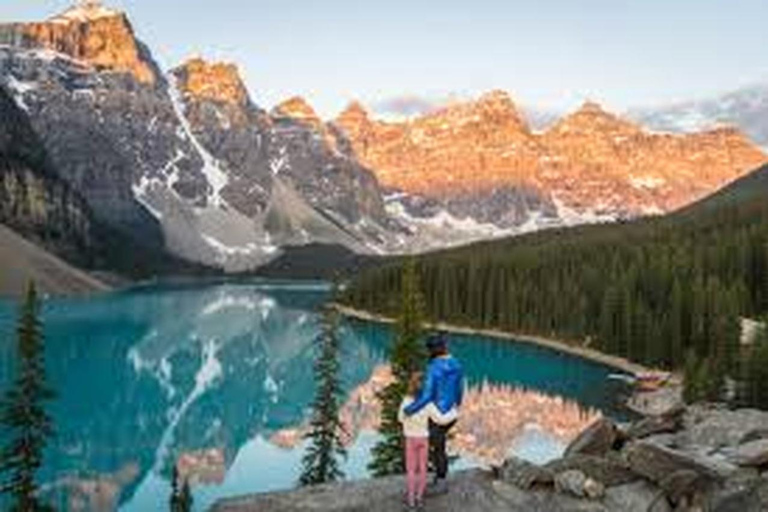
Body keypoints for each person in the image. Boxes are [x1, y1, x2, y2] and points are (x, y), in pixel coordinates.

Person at [404, 333, 464, 494]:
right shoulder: (456, 364)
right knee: (440, 446)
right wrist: (456, 405)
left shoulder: (434, 368)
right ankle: (439, 478)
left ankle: (441, 482)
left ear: (432, 350)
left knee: (437, 448)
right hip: (452, 414)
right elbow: (459, 390)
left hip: (437, 415)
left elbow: (427, 396)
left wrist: (409, 410)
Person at [398, 371, 432, 510]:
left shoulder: (406, 400)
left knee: (411, 470)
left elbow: (400, 418)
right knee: (423, 468)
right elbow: (436, 417)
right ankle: (420, 498)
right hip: (423, 438)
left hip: (410, 438)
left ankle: (411, 499)